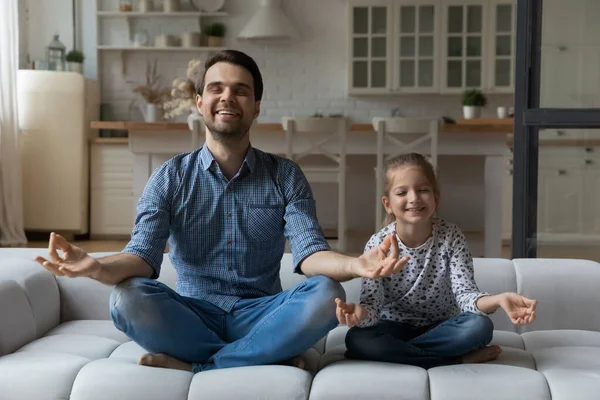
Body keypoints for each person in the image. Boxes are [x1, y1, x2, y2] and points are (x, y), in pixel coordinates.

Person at [34, 49, 409, 374]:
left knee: (327, 291)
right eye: (217, 88)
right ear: (200, 102)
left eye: (241, 91)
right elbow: (142, 257)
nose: (228, 97)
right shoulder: (169, 177)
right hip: (192, 314)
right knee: (126, 298)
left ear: (256, 106)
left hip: (264, 314)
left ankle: (199, 363)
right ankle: (262, 357)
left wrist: (358, 264)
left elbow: (310, 253)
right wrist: (98, 267)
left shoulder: (285, 175)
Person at [335, 152, 538, 369]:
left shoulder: (451, 237)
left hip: (441, 327)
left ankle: (397, 353)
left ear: (436, 198)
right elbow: (372, 309)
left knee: (480, 327)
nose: (414, 198)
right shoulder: (377, 244)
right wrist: (360, 313)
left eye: (422, 190)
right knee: (356, 338)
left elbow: (465, 296)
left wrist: (499, 299)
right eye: (402, 192)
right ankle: (454, 359)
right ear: (388, 204)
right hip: (391, 325)